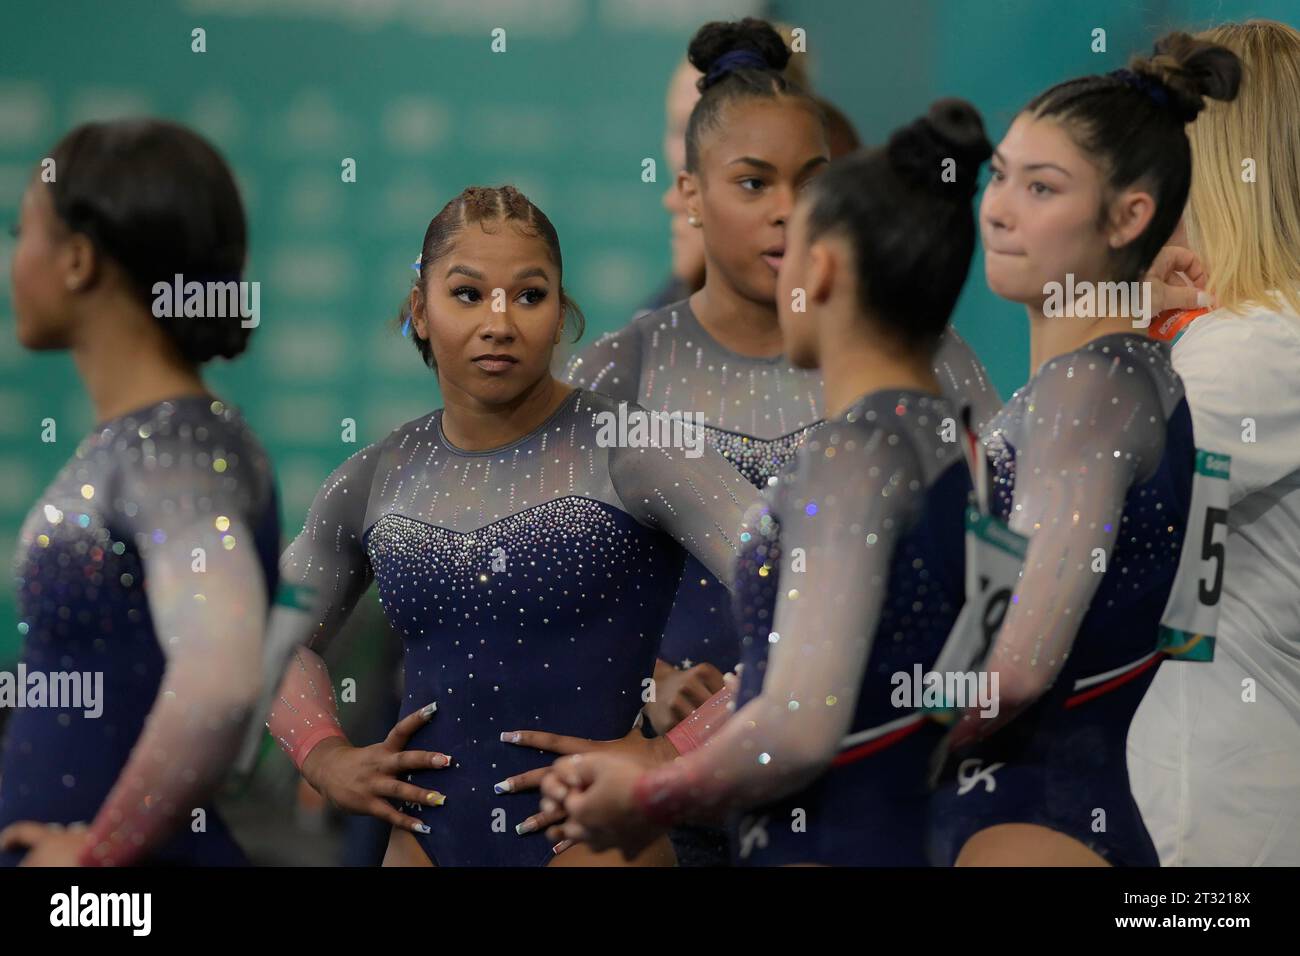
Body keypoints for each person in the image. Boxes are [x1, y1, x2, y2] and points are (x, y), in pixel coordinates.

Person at [535, 100, 992, 865]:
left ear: (822, 268)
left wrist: (653, 788)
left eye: (802, 210)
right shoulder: (937, 439)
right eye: (754, 186)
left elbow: (799, 722)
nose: (779, 227)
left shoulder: (852, 459)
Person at [262, 185, 758, 866]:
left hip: (591, 846)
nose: (500, 322)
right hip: (420, 848)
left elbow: (808, 598)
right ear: (420, 313)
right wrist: (322, 755)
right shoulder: (376, 476)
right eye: (468, 295)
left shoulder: (637, 451)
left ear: (562, 316)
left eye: (529, 296)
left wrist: (674, 753)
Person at [928, 33, 1241, 866]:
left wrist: (841, 727)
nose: (997, 209)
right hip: (1027, 812)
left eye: (1041, 188)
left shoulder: (1091, 390)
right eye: (999, 176)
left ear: (1130, 215)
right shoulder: (1092, 381)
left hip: (1034, 820)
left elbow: (1018, 668)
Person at [0, 119, 279, 866]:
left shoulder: (176, 450)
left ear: (78, 260)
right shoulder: (140, 443)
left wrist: (98, 856)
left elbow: (219, 682)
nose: (12, 259)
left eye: (22, 231)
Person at [1128, 18, 1300, 867]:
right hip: (1202, 808)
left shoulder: (1255, 348)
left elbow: (1057, 510)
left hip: (1214, 819)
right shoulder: (1239, 339)